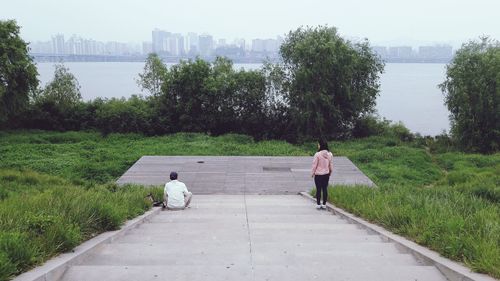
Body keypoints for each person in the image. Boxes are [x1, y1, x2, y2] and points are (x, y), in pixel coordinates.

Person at [311, 139, 333, 209]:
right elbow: (330, 164)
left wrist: (312, 173)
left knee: (318, 189)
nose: (318, 145)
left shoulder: (317, 154)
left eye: (318, 144)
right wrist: (330, 172)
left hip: (318, 175)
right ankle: (324, 204)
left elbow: (314, 165)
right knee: (325, 189)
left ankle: (318, 204)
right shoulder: (330, 154)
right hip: (326, 174)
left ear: (321, 145)